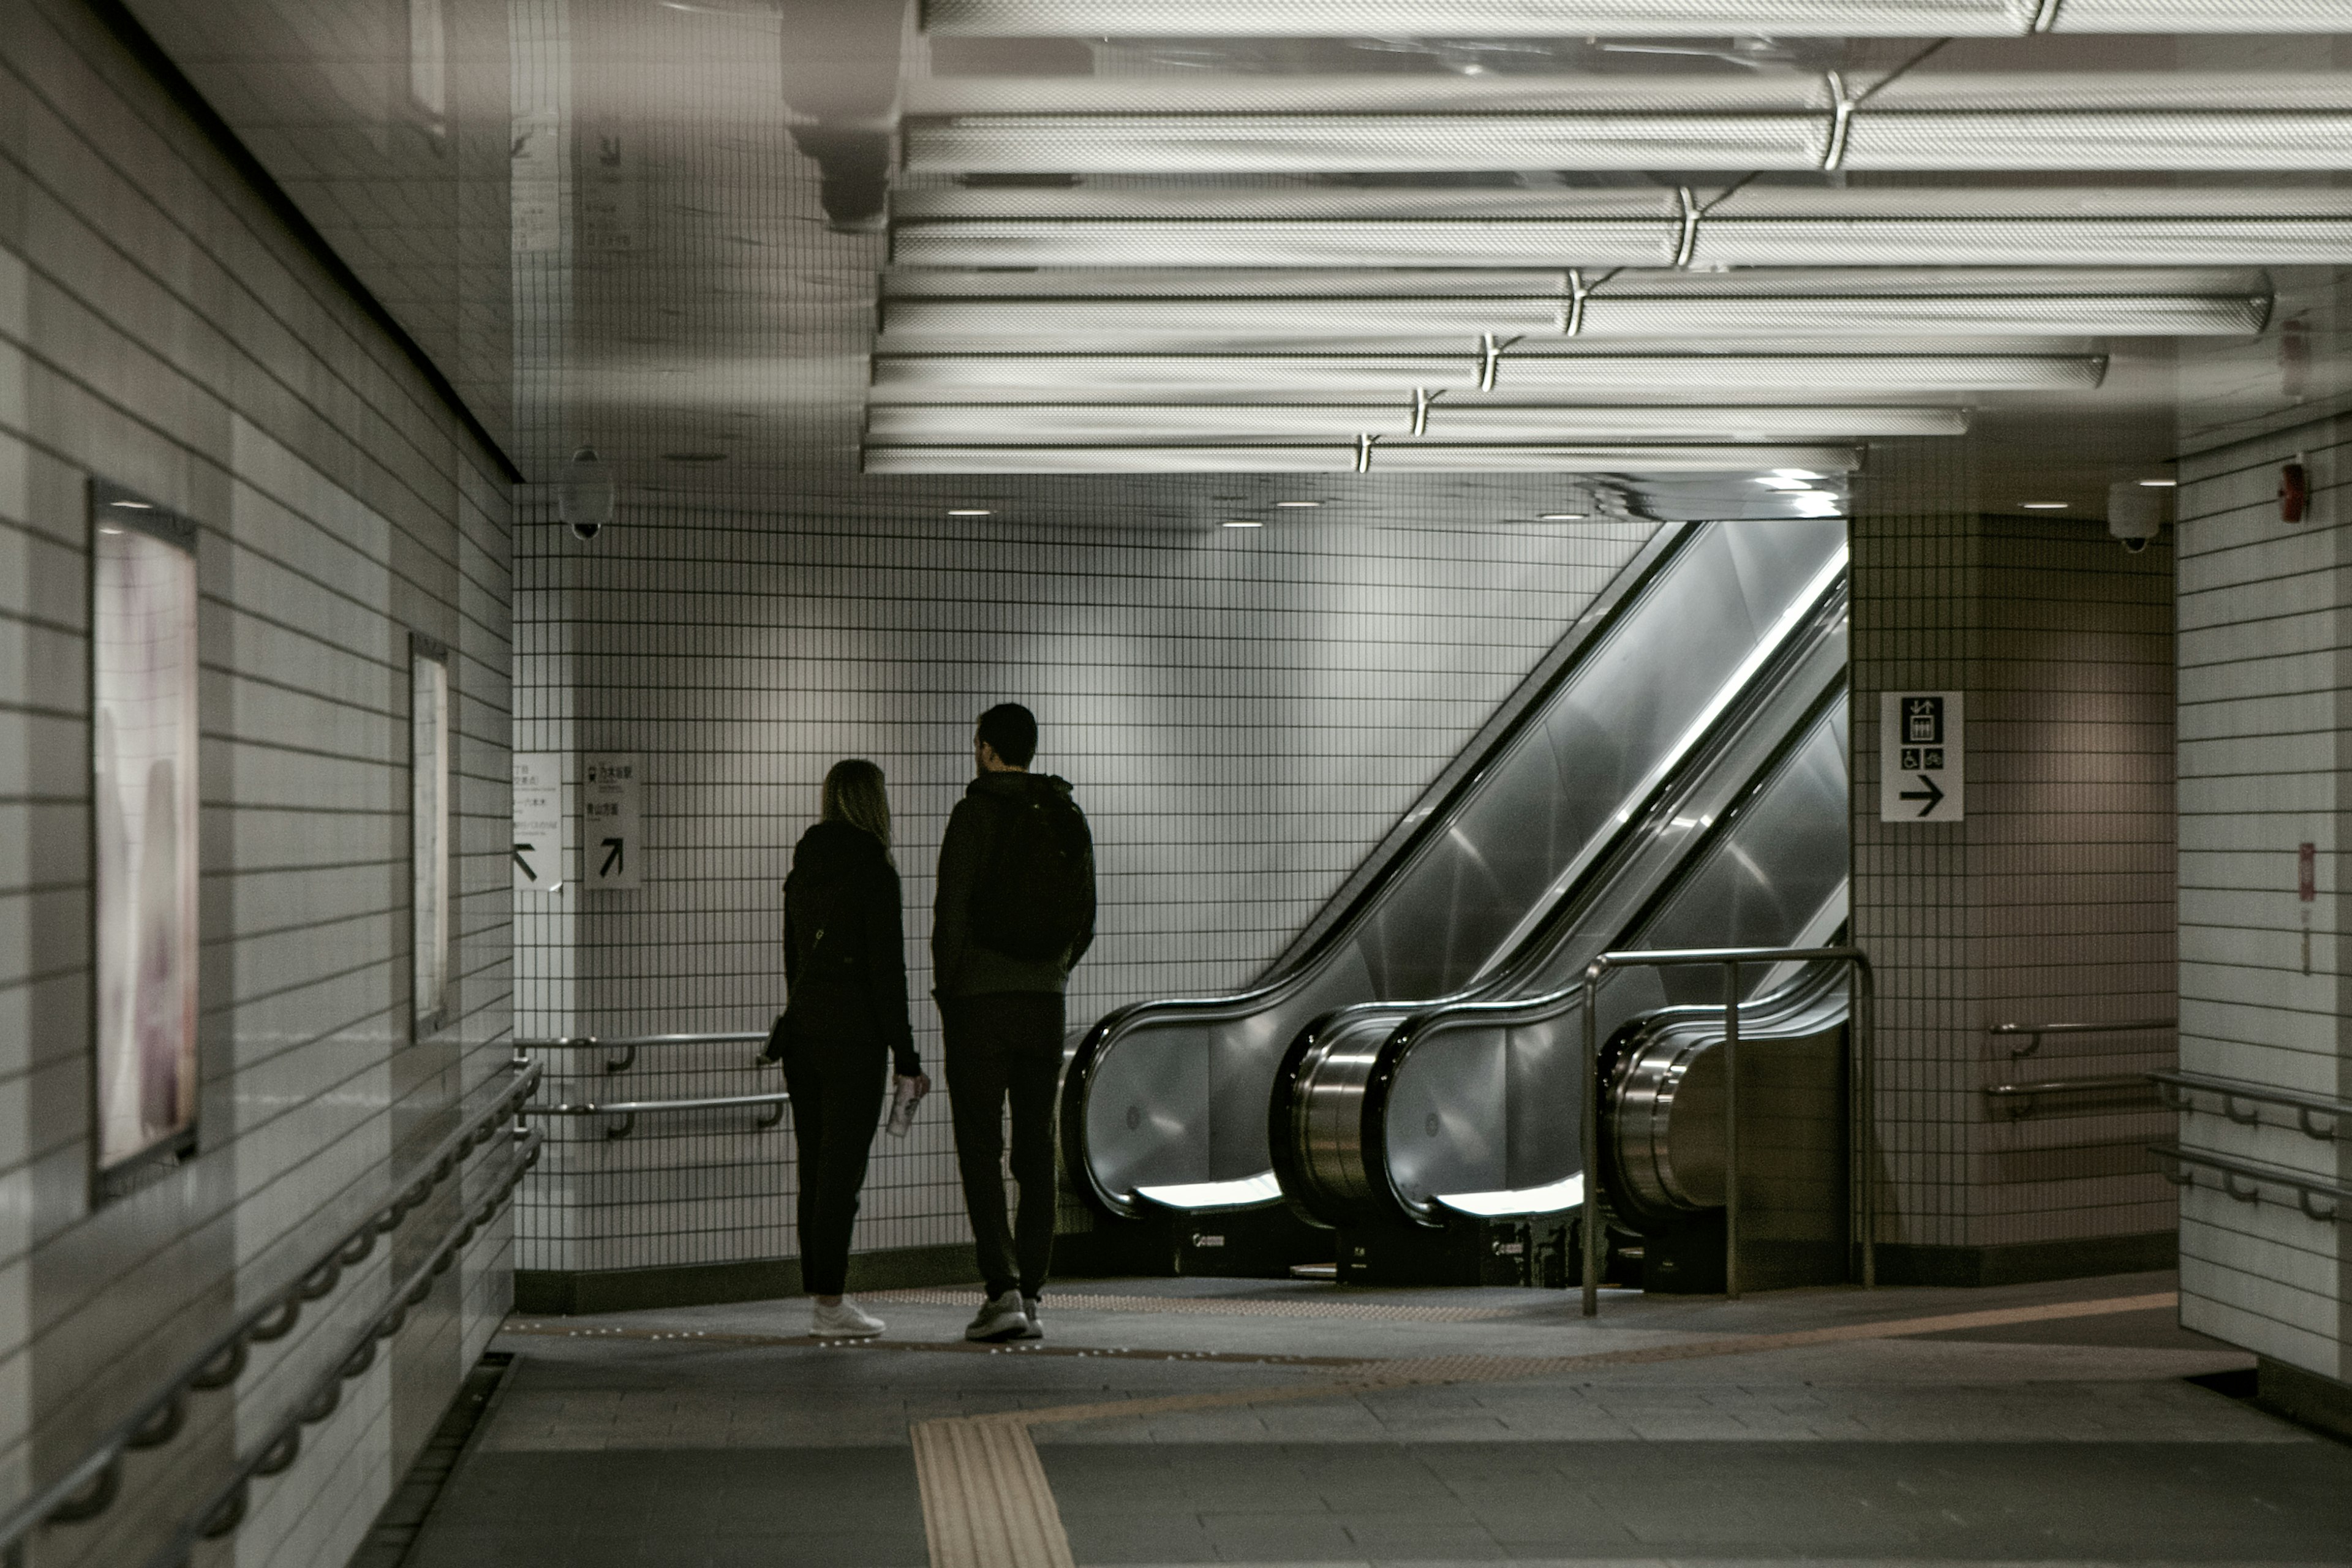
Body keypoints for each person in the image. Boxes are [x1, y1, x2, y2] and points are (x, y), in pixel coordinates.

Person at [933, 703, 1095, 1343]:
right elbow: (1085, 917)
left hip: (979, 1003)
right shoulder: (1065, 813)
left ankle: (999, 1289)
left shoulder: (973, 814)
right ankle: (1031, 1292)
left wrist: (952, 991)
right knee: (1034, 1149)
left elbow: (950, 915)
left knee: (980, 1145)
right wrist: (1052, 971)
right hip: (1044, 1002)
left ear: (985, 748)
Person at [779, 759, 927, 1338]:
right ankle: (831, 1305)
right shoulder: (874, 872)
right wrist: (907, 1058)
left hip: (804, 1039)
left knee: (814, 1170)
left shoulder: (803, 869)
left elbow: (793, 960)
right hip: (854, 1043)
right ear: (873, 803)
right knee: (843, 1173)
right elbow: (887, 974)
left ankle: (823, 1295)